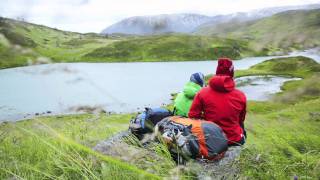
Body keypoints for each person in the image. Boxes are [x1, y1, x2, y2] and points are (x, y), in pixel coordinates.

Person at [188, 58, 247, 146]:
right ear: (232, 73)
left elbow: (193, 116)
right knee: (242, 131)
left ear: (217, 71)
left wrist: (207, 119)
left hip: (211, 139)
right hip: (234, 140)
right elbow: (241, 120)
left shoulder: (202, 93)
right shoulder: (240, 95)